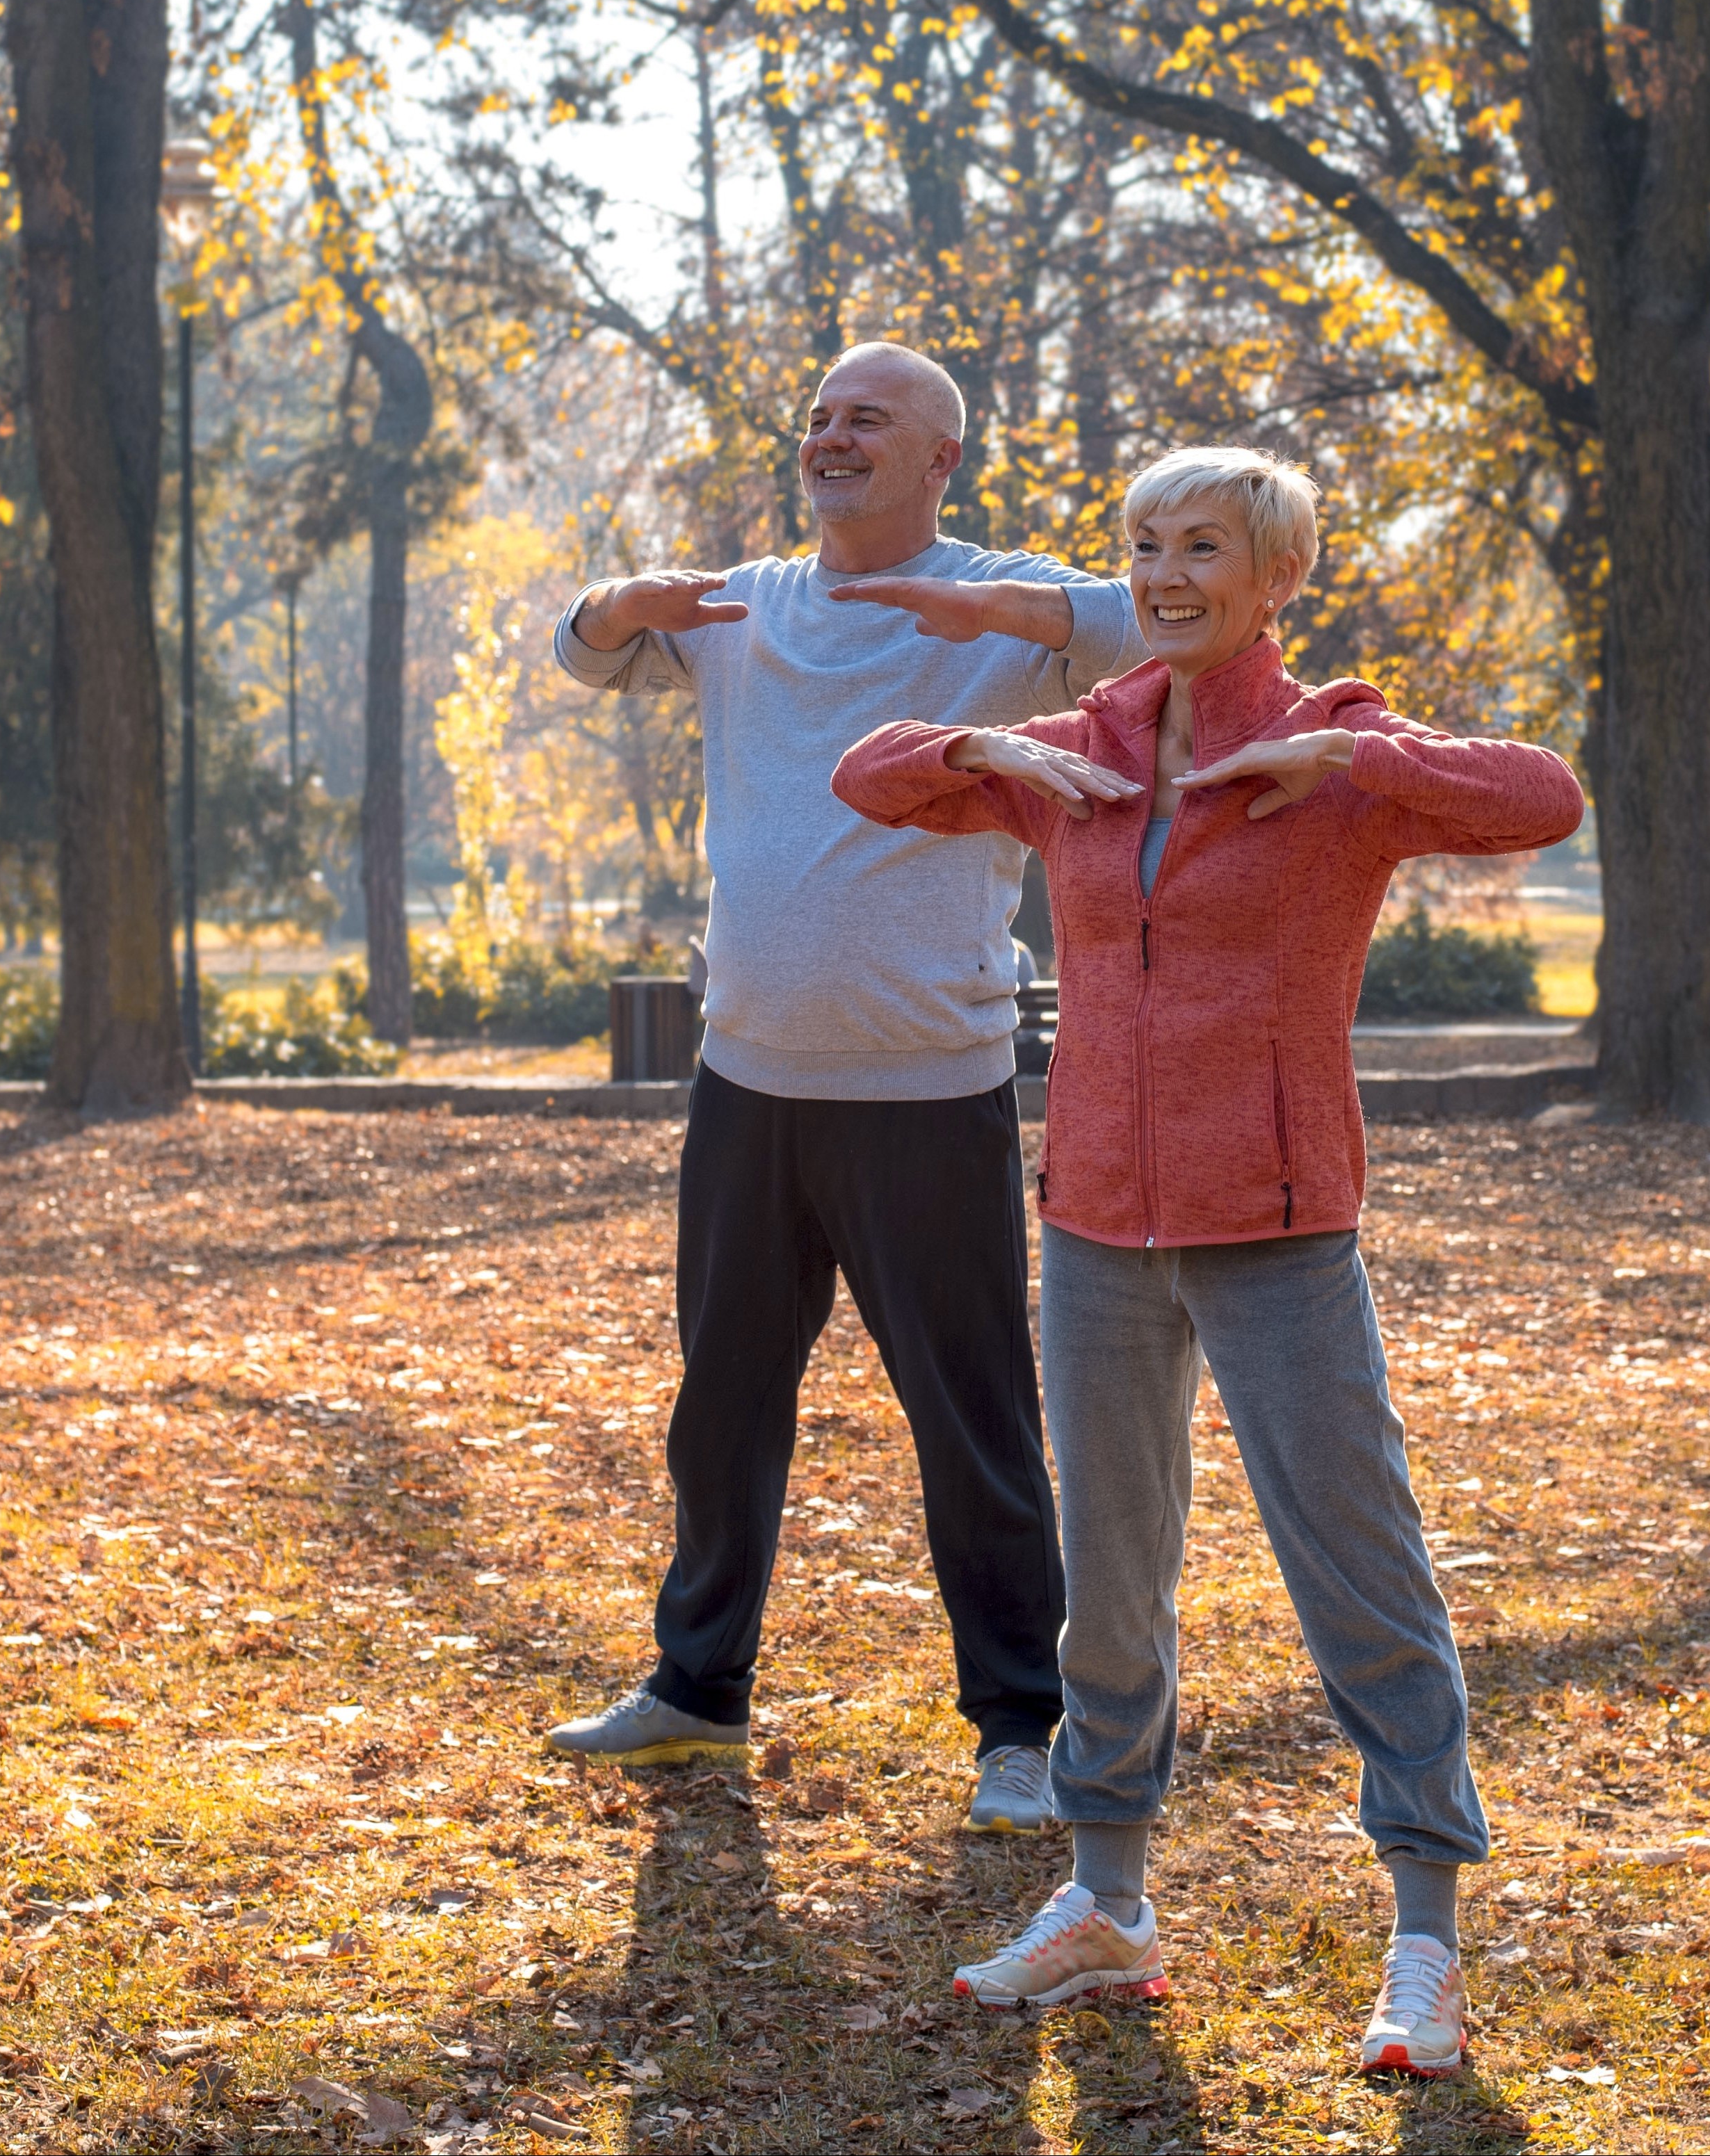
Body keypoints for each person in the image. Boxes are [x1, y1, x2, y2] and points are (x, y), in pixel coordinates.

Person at [832, 446, 1584, 2073]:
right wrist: (972, 736)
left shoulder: (1341, 756)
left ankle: (1426, 1938)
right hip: (1095, 1223)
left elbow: (1543, 797)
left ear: (1275, 576)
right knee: (1108, 1587)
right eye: (1145, 544)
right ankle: (1106, 1903)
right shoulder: (1076, 751)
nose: (1166, 572)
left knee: (1360, 1577)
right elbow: (870, 777)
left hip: (1281, 1227)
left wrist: (1357, 755)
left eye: (1203, 547)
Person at [540, 341, 1147, 1835]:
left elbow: (1167, 623)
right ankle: (696, 1684)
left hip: (929, 1089)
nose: (830, 435)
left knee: (975, 1423)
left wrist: (991, 610)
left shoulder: (1011, 603)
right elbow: (579, 649)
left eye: (866, 417)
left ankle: (1021, 1726)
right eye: (818, 416)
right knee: (721, 1403)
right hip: (747, 1078)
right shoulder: (747, 604)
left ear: (942, 457)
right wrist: (619, 605)